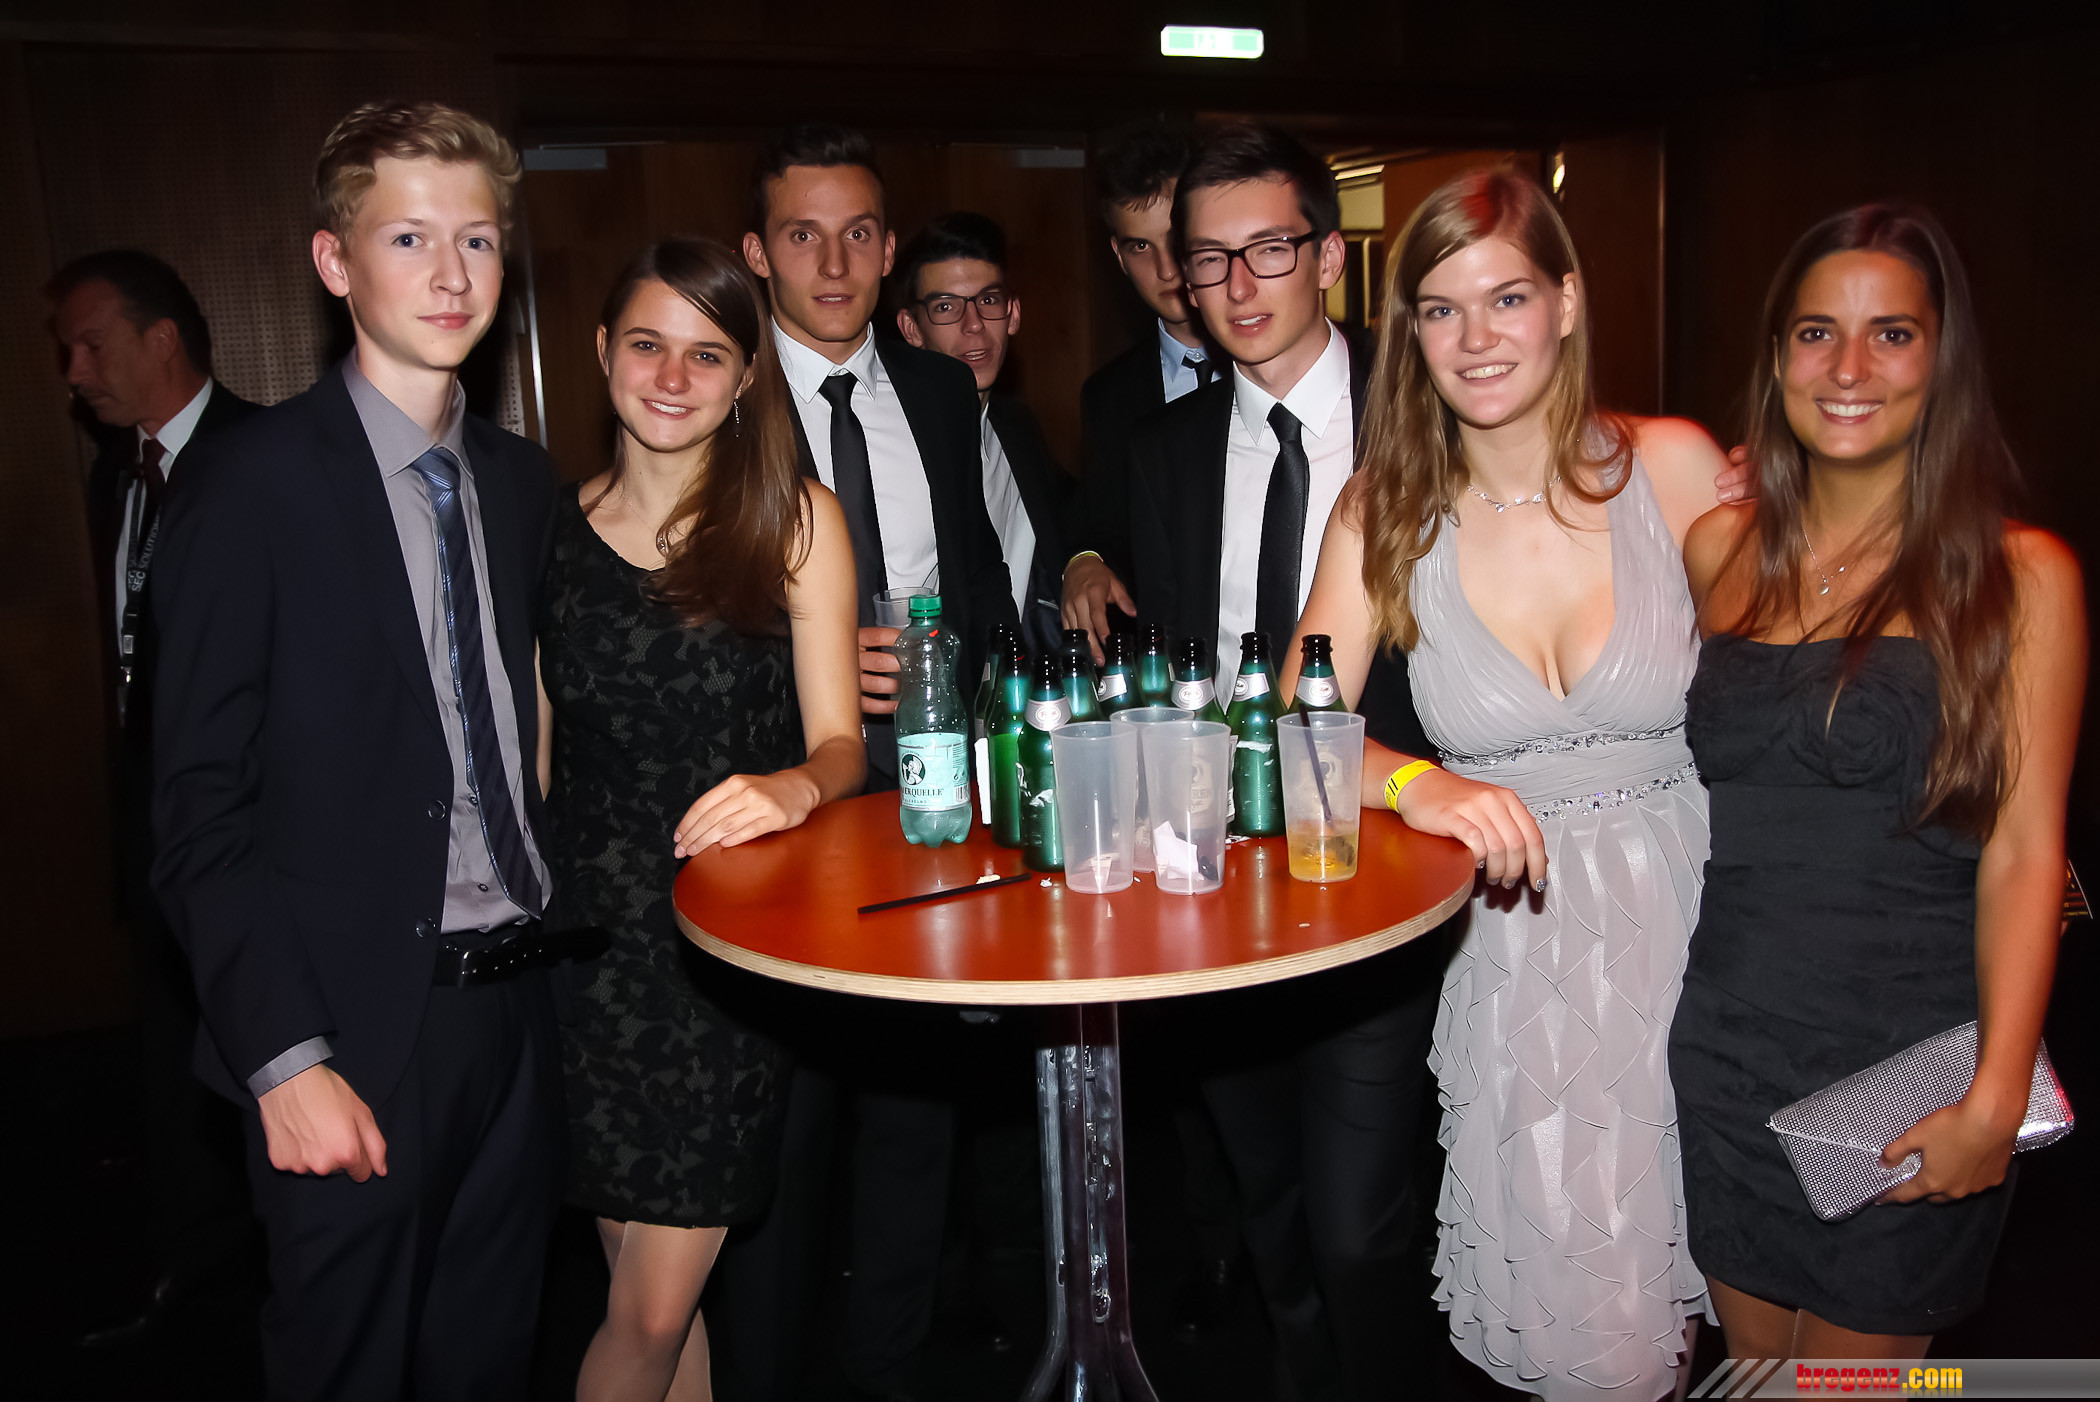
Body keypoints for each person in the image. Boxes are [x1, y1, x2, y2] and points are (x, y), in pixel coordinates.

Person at [1288, 165, 1735, 1401]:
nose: (1475, 338)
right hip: (1523, 956)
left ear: (1568, 302)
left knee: (1745, 1307)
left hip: (1707, 937)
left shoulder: (1675, 467)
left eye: (1508, 298)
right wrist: (1415, 785)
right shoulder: (1383, 511)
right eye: (1441, 309)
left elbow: (1808, 661)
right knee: (1593, 1337)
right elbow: (1290, 731)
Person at [151, 101, 570, 1400]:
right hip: (347, 1029)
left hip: (519, 1012)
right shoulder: (249, 486)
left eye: (478, 240)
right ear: (335, 262)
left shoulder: (521, 483)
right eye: (408, 237)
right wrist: (285, 1060)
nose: (451, 274)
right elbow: (196, 810)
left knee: (488, 1364)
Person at [1669, 205, 2083, 1360]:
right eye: (1817, 333)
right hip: (1726, 1052)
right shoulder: (1717, 548)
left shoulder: (2021, 577)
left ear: (1943, 360)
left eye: (1891, 334)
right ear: (1777, 359)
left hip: (1911, 1070)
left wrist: (1997, 1093)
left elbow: (2026, 852)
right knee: (1754, 1377)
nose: (1849, 367)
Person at [1119, 123, 1448, 1402]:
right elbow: (1177, 667)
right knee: (1269, 1205)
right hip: (1221, 874)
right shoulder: (1163, 450)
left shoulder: (1426, 416)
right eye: (1209, 259)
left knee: (1360, 1220)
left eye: (1269, 248)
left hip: (1389, 859)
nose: (1239, 283)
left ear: (1327, 256)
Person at [539, 236, 863, 1402]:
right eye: (647, 345)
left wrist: (795, 785)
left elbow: (843, 744)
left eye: (707, 354)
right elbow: (535, 765)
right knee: (654, 1307)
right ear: (602, 353)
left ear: (745, 376)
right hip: (586, 959)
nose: (673, 377)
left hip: (724, 952)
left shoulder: (796, 522)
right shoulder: (548, 530)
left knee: (650, 1309)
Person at [725, 123, 1017, 1402]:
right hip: (786, 790)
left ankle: (887, 1372)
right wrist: (811, 654)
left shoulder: (944, 392)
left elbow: (983, 577)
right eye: (803, 235)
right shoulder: (718, 390)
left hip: (936, 786)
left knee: (917, 1107)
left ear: (890, 249)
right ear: (758, 252)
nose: (834, 264)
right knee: (787, 1122)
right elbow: (680, 597)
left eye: (857, 235)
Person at [46, 249, 262, 1346]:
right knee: (171, 1050)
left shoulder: (270, 460)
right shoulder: (115, 478)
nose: (74, 372)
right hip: (155, 822)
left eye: (90, 345)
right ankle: (192, 1273)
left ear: (161, 338)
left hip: (255, 826)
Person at [894, 209, 1070, 656]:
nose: (973, 324)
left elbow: (1080, 512)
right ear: (912, 329)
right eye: (946, 307)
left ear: (1013, 313)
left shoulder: (1017, 429)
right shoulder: (895, 447)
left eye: (988, 300)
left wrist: (1087, 560)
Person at [1064, 120, 1206, 651]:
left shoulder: (1273, 365)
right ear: (1119, 256)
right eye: (1141, 246)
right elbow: (1104, 531)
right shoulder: (1107, 396)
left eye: (1178, 239)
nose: (1167, 268)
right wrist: (1084, 559)